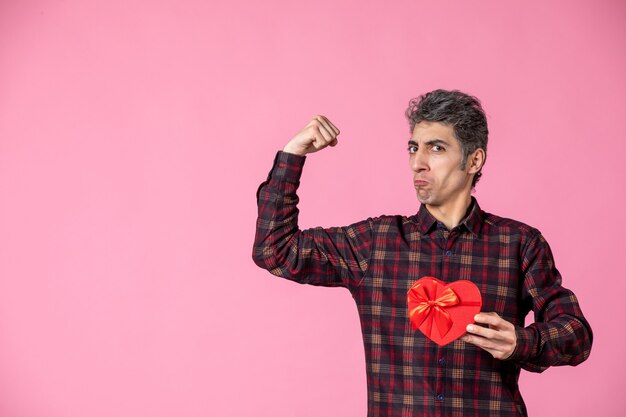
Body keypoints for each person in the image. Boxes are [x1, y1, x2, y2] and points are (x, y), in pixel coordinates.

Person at [252, 89, 592, 417]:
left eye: (436, 148)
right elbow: (275, 250)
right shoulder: (376, 243)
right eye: (414, 148)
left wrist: (522, 342)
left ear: (474, 160)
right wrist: (292, 155)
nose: (418, 163)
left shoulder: (519, 244)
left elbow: (576, 333)